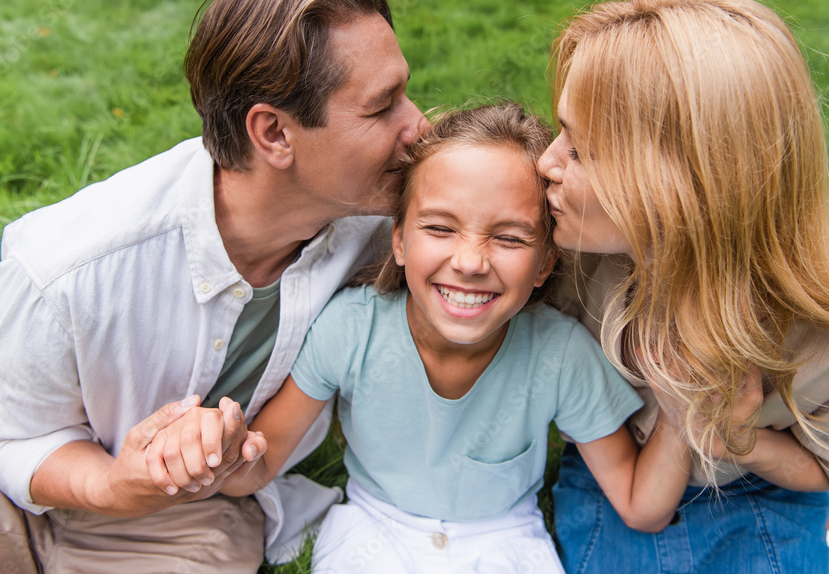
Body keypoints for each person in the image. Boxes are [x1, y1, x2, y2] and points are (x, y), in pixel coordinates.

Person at [0, 0, 428, 572]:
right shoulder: (68, 267)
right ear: (273, 134)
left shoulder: (393, 222)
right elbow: (8, 436)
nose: (419, 126)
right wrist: (116, 483)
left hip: (185, 521)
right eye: (382, 108)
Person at [146, 104, 694, 573]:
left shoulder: (560, 354)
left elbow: (639, 505)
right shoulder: (349, 329)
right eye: (439, 228)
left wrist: (686, 407)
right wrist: (222, 453)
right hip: (371, 531)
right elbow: (259, 467)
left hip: (503, 543)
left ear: (546, 263)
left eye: (508, 237)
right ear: (400, 241)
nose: (471, 262)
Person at [538, 0, 829, 574]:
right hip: (615, 477)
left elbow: (826, 472)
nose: (546, 162)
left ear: (692, 188)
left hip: (757, 482)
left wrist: (736, 436)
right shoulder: (578, 252)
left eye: (582, 152)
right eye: (560, 130)